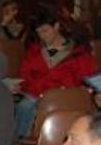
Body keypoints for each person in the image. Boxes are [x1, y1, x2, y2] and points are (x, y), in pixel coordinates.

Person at [14, 10, 96, 138]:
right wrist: (30, 89)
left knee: (28, 107)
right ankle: (18, 142)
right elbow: (25, 75)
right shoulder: (34, 51)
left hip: (65, 97)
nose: (42, 36)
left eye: (45, 31)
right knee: (24, 106)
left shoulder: (78, 52)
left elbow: (86, 80)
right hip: (37, 95)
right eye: (39, 32)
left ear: (56, 26)